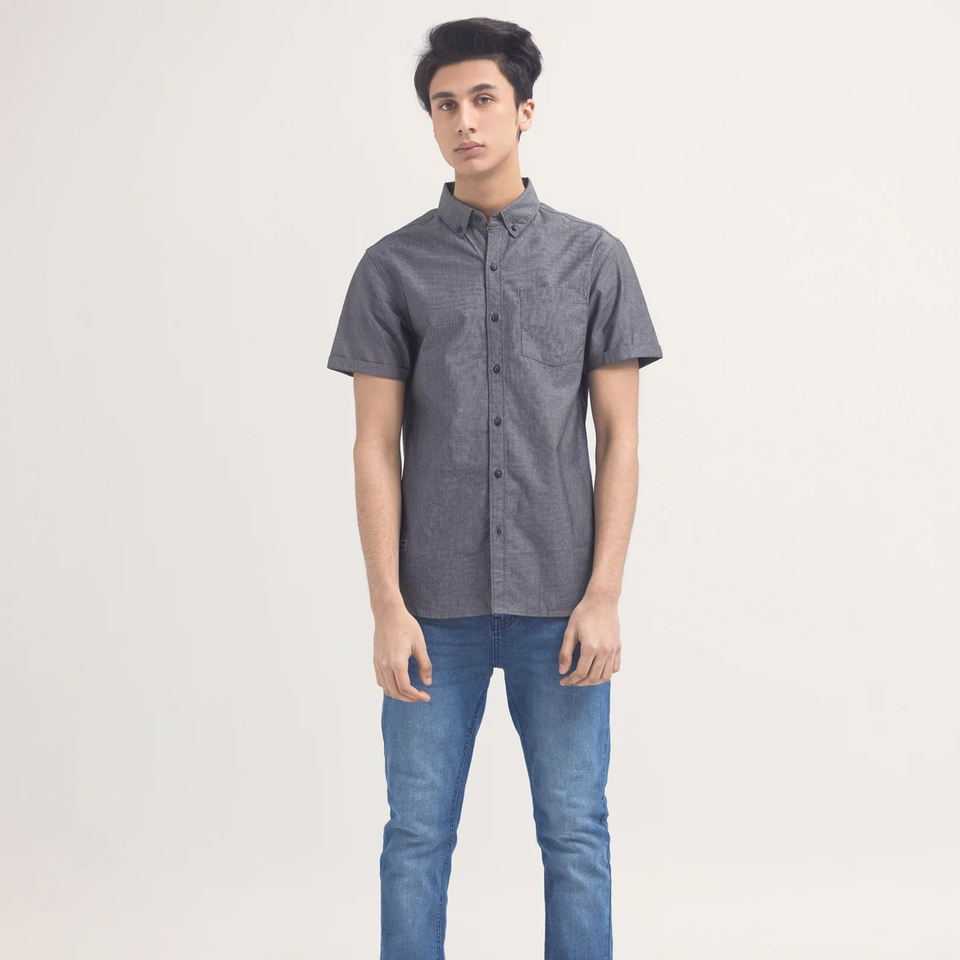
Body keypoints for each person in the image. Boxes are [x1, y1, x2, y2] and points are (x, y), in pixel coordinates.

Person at [326, 16, 663, 960]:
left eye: (482, 99)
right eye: (445, 105)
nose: (464, 121)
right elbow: (373, 446)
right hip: (432, 611)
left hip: (562, 605)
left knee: (576, 834)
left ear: (524, 111)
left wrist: (604, 595)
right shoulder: (391, 268)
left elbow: (620, 438)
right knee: (416, 838)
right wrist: (387, 608)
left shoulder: (594, 259)